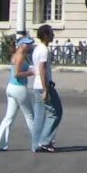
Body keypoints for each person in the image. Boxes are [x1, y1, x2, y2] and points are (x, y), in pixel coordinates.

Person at [0, 36, 36, 150]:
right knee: (30, 116)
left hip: (11, 88)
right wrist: (32, 72)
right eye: (28, 44)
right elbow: (17, 74)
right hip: (19, 88)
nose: (30, 46)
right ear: (22, 45)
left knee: (9, 117)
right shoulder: (21, 56)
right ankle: (38, 142)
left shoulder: (15, 55)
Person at [31, 24, 62, 152]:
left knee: (39, 116)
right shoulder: (44, 50)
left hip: (37, 85)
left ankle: (36, 144)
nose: (53, 35)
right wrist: (46, 89)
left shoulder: (37, 49)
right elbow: (42, 69)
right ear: (46, 35)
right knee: (56, 112)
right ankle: (45, 141)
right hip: (43, 86)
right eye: (51, 33)